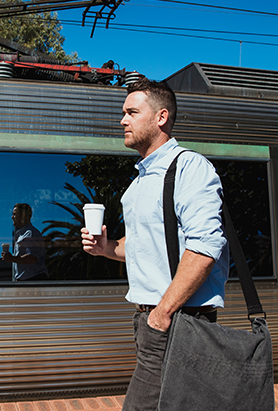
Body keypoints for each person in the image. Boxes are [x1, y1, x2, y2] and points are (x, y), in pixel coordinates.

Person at [81, 79, 229, 411]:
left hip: (179, 323)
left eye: (132, 112)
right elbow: (136, 248)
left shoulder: (189, 167)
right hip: (153, 324)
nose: (123, 120)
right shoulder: (138, 184)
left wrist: (162, 315)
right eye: (123, 113)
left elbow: (205, 247)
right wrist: (108, 248)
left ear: (161, 117)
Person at [2, 203, 48, 281]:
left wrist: (12, 258)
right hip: (27, 281)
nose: (12, 217)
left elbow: (32, 258)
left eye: (15, 214)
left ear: (23, 216)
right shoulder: (22, 235)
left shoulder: (30, 233)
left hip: (33, 280)